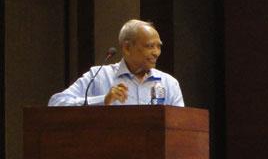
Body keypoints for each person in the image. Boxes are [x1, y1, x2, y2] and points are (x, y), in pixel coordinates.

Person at [48, 19, 184, 106]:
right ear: (127, 48)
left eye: (158, 46)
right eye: (149, 46)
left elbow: (182, 126)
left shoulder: (169, 83)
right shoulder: (99, 76)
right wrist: (102, 100)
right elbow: (56, 103)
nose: (156, 52)